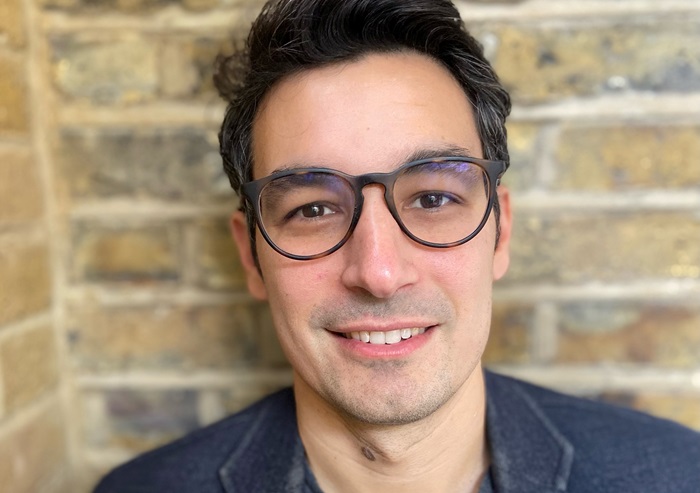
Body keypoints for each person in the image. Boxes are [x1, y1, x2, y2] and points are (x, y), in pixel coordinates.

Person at [94, 1, 700, 492]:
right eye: (313, 209)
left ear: (500, 231)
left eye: (432, 198)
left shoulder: (676, 475)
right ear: (251, 255)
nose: (379, 272)